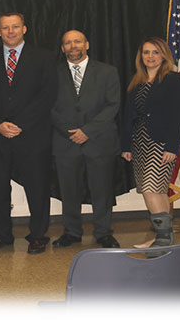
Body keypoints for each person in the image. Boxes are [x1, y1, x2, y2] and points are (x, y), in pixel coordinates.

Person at [0, 12, 57, 254]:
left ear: (24, 29)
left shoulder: (45, 57)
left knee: (37, 187)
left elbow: (48, 95)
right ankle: (1, 235)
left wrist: (21, 123)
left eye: (15, 27)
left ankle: (38, 235)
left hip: (32, 135)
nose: (10, 31)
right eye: (5, 28)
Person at [51, 30, 121, 249]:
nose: (73, 46)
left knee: (102, 190)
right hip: (66, 142)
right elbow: (47, 106)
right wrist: (69, 131)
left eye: (77, 41)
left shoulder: (107, 72)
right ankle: (71, 232)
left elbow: (113, 105)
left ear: (87, 44)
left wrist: (87, 131)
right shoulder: (52, 73)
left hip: (99, 142)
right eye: (68, 43)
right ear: (62, 48)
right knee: (68, 191)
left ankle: (103, 232)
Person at [121, 37, 180, 249]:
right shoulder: (136, 81)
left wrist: (172, 147)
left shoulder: (173, 80)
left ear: (164, 55)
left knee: (152, 189)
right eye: (146, 52)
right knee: (152, 190)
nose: (150, 56)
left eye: (155, 52)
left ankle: (162, 239)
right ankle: (163, 238)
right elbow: (128, 116)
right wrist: (126, 146)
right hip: (139, 143)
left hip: (161, 143)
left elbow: (179, 116)